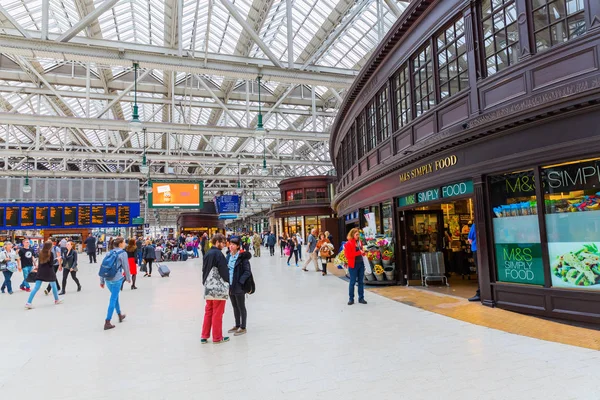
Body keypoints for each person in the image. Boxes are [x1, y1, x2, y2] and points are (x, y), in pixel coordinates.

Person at [201, 234, 230, 344]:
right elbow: (223, 272)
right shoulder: (219, 254)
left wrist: (205, 283)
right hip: (218, 288)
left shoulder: (207, 253)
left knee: (208, 311)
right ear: (217, 242)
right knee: (218, 312)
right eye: (222, 242)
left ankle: (204, 336)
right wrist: (228, 283)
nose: (224, 245)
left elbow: (204, 270)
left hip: (209, 286)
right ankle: (217, 337)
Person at [100, 238, 131, 330]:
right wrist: (128, 278)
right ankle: (107, 321)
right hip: (117, 279)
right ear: (121, 244)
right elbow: (126, 267)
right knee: (113, 299)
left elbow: (103, 266)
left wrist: (102, 281)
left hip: (107, 279)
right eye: (124, 242)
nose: (125, 243)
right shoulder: (123, 253)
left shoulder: (109, 253)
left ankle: (119, 315)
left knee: (115, 297)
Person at [24, 241, 62, 309]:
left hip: (41, 272)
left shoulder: (40, 253)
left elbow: (40, 263)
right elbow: (51, 264)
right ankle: (57, 300)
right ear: (50, 246)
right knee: (53, 285)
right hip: (49, 272)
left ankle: (28, 303)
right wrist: (57, 259)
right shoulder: (51, 253)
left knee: (36, 288)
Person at [226, 238, 252, 337]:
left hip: (239, 286)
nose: (231, 246)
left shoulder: (242, 258)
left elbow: (247, 271)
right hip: (230, 285)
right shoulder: (228, 256)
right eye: (230, 244)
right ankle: (237, 325)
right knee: (234, 306)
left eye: (233, 244)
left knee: (241, 306)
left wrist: (240, 282)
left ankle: (243, 327)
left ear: (237, 246)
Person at [344, 228, 367, 305]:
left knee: (361, 282)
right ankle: (351, 299)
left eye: (358, 234)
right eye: (356, 234)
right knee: (352, 282)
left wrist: (363, 253)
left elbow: (361, 252)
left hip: (361, 264)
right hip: (353, 265)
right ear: (352, 235)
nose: (358, 236)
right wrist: (359, 252)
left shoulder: (360, 242)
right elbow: (348, 255)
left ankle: (361, 298)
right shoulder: (348, 244)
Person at [468, 223, 480, 302]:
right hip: (487, 249)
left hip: (476, 249)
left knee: (479, 271)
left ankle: (480, 293)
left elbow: (470, 239)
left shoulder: (475, 225)